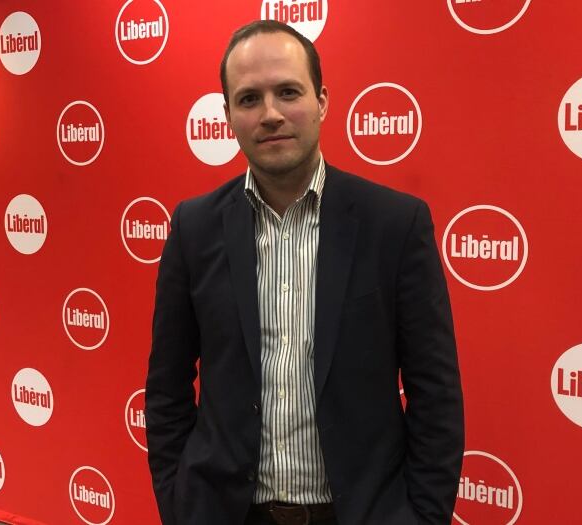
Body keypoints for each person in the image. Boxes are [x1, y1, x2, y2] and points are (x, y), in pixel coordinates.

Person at [146, 20, 464, 525]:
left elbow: (435, 393)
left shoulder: (396, 224)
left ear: (322, 101)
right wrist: (178, 501)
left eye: (288, 92)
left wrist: (421, 516)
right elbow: (167, 388)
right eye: (248, 99)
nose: (270, 114)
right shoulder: (193, 227)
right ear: (228, 115)